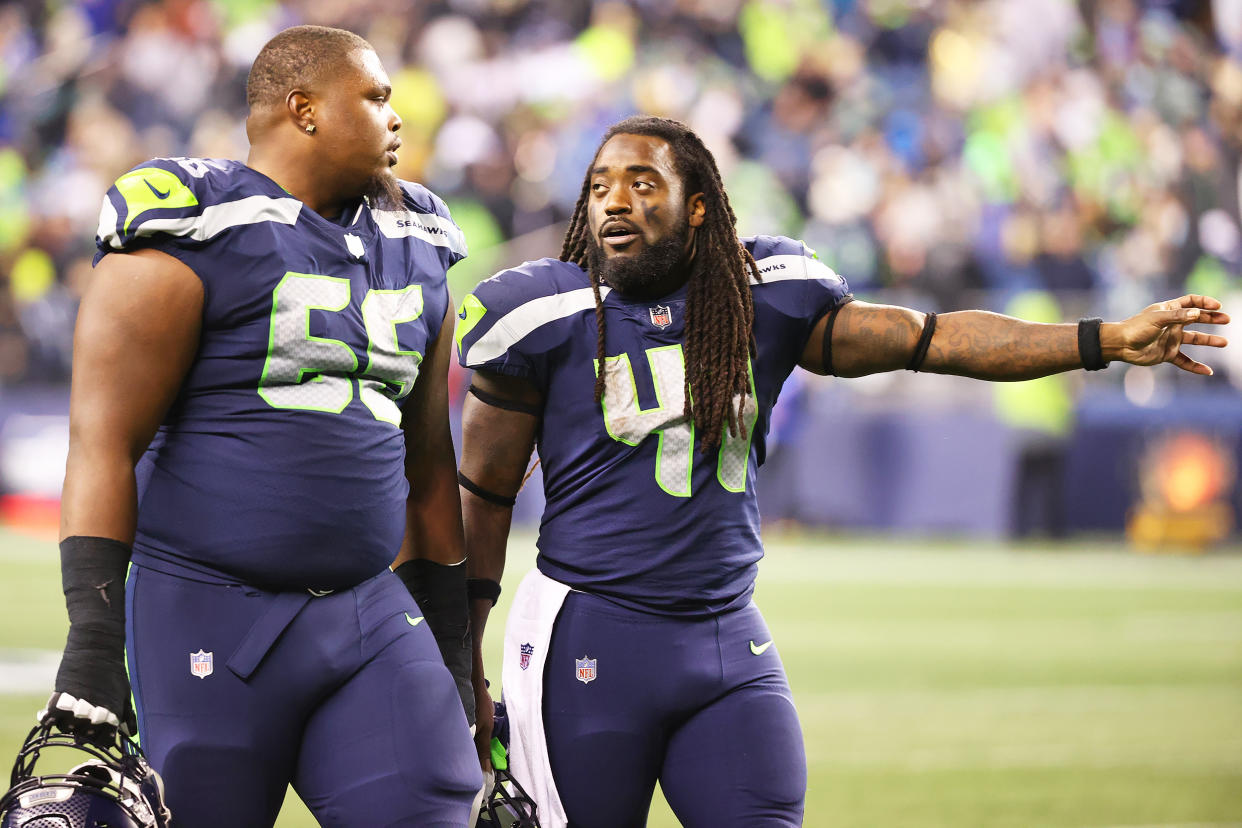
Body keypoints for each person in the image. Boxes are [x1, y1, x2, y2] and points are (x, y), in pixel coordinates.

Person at [454, 115, 1230, 827]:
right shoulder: (541, 317)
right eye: (599, 188)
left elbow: (932, 339)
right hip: (590, 633)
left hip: (726, 637)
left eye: (642, 182)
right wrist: (466, 658)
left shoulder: (763, 297)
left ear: (698, 205)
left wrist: (1103, 340)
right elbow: (483, 495)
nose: (613, 203)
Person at [42, 25, 483, 828]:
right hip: (210, 610)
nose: (396, 116)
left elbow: (427, 466)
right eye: (376, 97)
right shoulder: (189, 224)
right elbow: (103, 444)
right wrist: (94, 639)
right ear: (304, 108)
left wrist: (454, 644)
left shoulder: (418, 239)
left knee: (437, 803)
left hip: (366, 612)